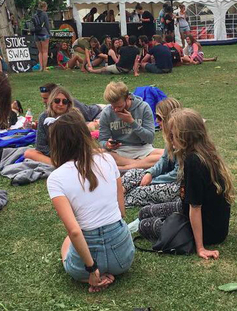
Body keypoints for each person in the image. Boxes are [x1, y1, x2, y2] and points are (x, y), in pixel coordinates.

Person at [46, 110, 134, 292]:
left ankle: (92, 277)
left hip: (86, 260)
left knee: (67, 242)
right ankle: (105, 271)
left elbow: (74, 231)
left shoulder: (56, 178)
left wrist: (92, 270)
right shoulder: (108, 160)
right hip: (123, 257)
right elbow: (122, 211)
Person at [138, 108, 233, 260]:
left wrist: (200, 247)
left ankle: (174, 225)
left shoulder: (194, 162)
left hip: (209, 229)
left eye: (173, 135)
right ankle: (170, 220)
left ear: (185, 137)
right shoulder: (205, 151)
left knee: (143, 226)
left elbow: (195, 208)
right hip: (202, 217)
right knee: (143, 213)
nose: (170, 139)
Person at [122, 98, 183, 207]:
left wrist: (153, 180)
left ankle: (119, 199)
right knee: (133, 173)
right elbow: (163, 161)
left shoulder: (182, 141)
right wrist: (150, 173)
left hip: (177, 186)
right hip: (165, 178)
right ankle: (118, 193)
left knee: (138, 191)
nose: (157, 121)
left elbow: (177, 174)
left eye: (159, 118)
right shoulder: (170, 138)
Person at [98, 81, 163, 170]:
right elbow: (102, 140)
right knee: (95, 154)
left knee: (168, 155)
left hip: (142, 149)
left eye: (119, 106)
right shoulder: (107, 112)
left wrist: (132, 122)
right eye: (113, 106)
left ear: (128, 98)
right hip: (119, 151)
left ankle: (125, 168)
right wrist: (107, 145)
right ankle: (138, 165)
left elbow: (150, 138)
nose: (116, 110)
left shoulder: (143, 107)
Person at [24, 85, 79, 166]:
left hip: (72, 153)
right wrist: (55, 154)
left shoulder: (75, 116)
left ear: (68, 103)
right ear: (51, 102)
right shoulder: (44, 117)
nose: (61, 104)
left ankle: (61, 165)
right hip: (52, 154)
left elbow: (81, 142)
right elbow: (40, 145)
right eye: (57, 101)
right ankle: (60, 164)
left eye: (64, 102)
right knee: (28, 153)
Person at [31, 1, 51, 72]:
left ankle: (40, 67)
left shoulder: (35, 14)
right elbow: (47, 24)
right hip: (43, 33)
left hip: (36, 34)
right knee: (45, 51)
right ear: (44, 7)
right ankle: (45, 68)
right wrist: (49, 32)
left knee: (40, 52)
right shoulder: (44, 14)